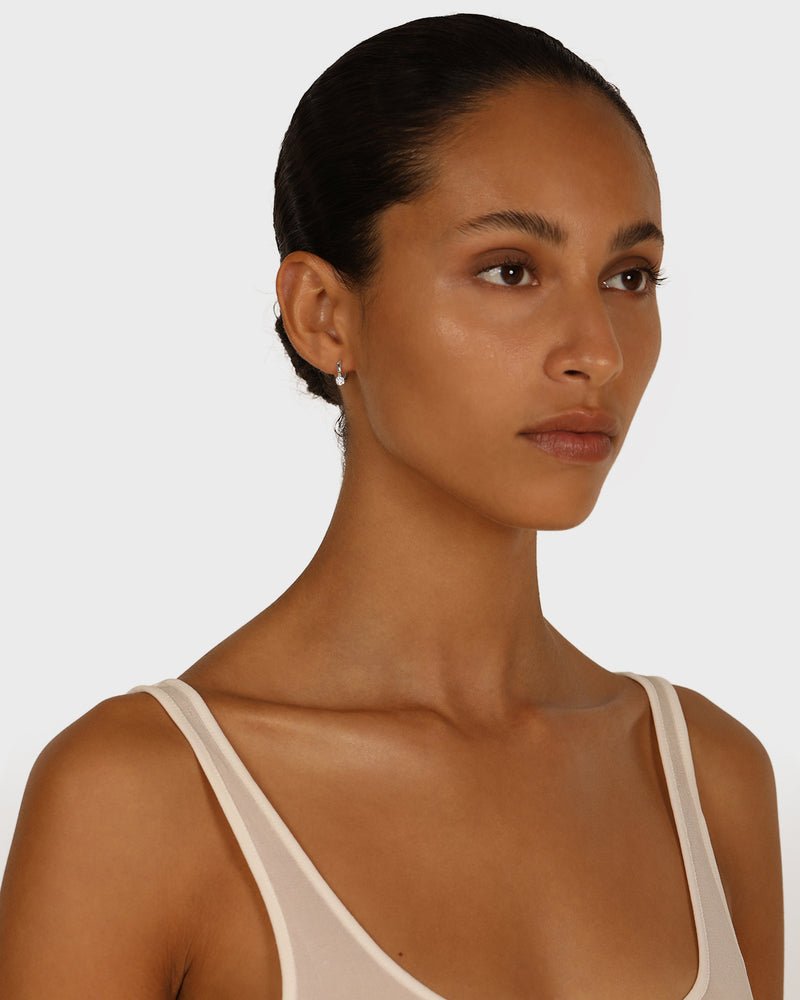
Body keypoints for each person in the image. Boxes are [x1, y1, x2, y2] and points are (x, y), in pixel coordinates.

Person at [0, 13, 783, 1000]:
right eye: (510, 270)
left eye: (628, 276)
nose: (599, 350)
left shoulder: (709, 780)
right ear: (324, 315)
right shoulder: (139, 799)